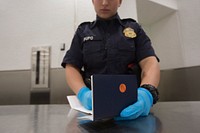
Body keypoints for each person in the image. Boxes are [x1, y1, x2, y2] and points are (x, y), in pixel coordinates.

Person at [61, 0, 160, 120]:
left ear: (120, 2)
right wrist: (83, 94)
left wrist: (146, 94)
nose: (104, 3)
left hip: (132, 106)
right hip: (92, 111)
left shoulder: (134, 28)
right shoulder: (83, 31)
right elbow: (71, 66)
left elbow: (149, 62)